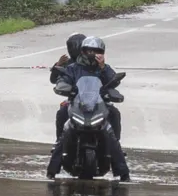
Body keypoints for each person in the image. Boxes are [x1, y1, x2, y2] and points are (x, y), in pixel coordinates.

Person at [47, 36, 130, 181]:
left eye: (96, 51)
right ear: (82, 51)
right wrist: (65, 88)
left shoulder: (104, 68)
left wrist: (103, 68)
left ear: (102, 53)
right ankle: (52, 169)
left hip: (99, 104)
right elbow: (62, 80)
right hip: (77, 103)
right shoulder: (73, 68)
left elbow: (113, 81)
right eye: (89, 51)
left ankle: (121, 167)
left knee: (114, 114)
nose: (92, 54)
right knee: (62, 115)